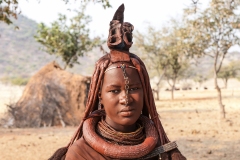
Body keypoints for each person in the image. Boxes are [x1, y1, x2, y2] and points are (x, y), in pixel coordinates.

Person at [49, 4, 186, 160]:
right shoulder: (81, 153)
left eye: (134, 88)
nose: (126, 99)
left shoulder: (161, 151)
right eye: (114, 90)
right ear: (100, 96)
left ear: (145, 93)